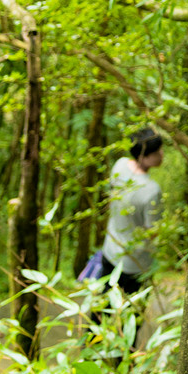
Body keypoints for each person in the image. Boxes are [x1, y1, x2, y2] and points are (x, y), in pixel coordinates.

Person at [78, 127, 163, 297]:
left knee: (101, 307)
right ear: (143, 156)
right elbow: (152, 231)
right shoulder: (152, 190)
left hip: (110, 250)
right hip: (136, 263)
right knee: (131, 313)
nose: (161, 154)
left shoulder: (120, 165)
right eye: (156, 151)